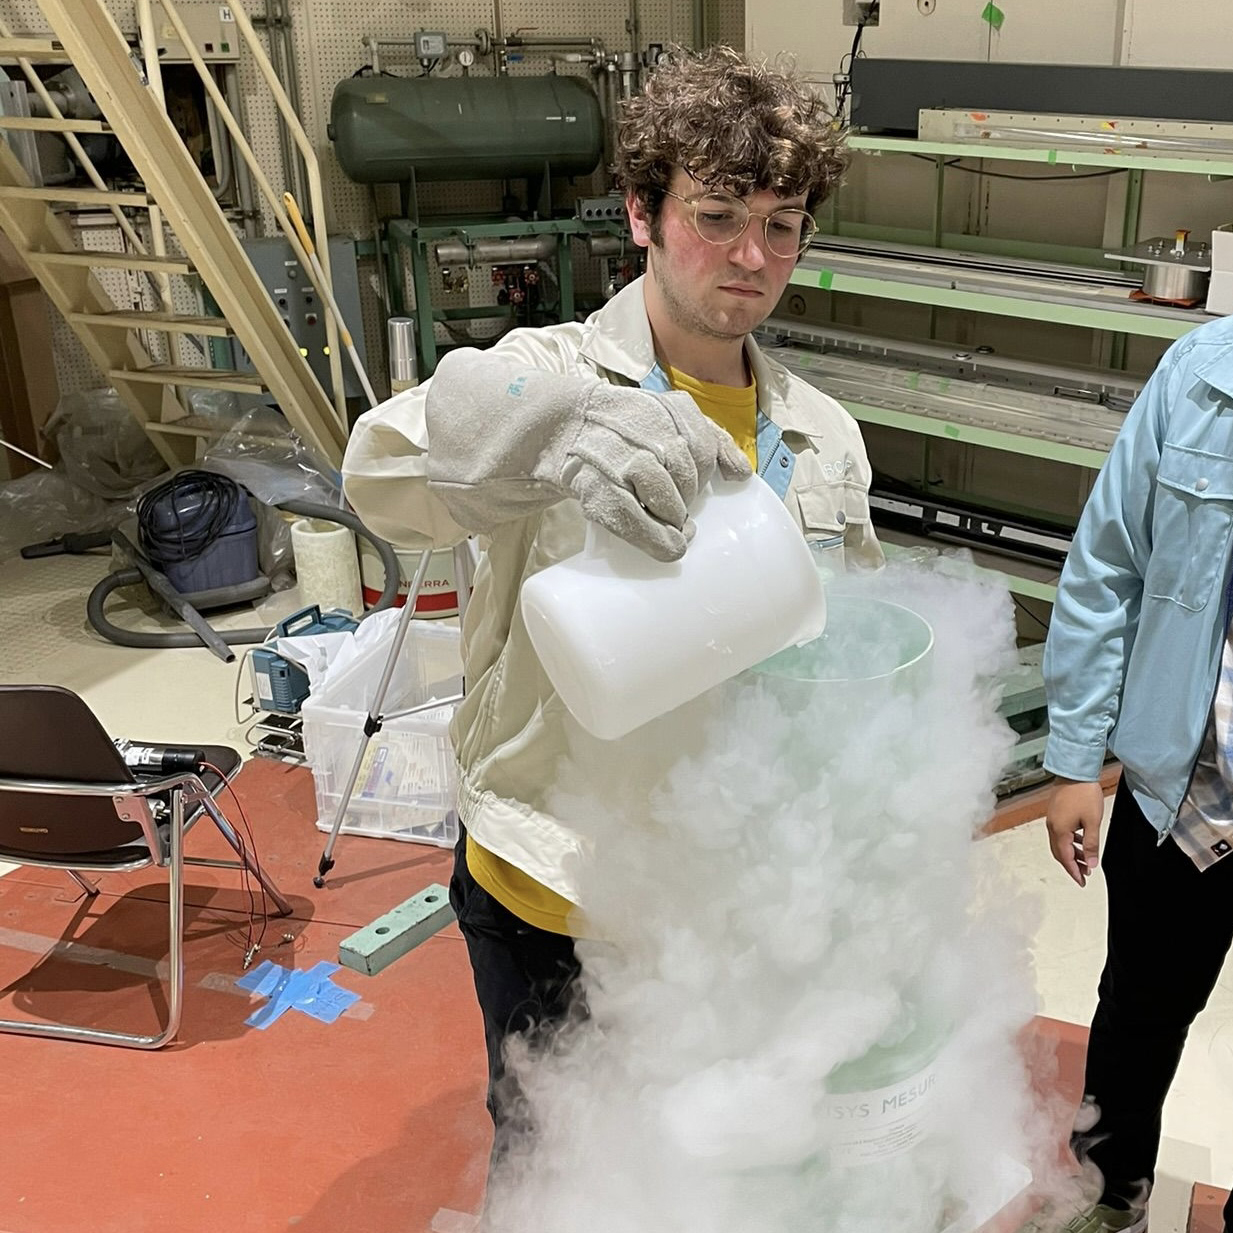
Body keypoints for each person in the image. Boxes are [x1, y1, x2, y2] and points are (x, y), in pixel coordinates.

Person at [342, 44, 883, 1166]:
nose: (752, 255)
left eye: (782, 225)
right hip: (555, 887)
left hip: (725, 902)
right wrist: (547, 426)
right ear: (640, 213)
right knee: (554, 1168)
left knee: (704, 1164)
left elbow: (847, 657)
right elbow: (375, 476)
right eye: (719, 214)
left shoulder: (823, 434)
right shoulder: (542, 372)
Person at [1040, 311, 1233, 1233]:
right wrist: (1077, 756)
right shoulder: (1200, 373)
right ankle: (1106, 1199)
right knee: (1135, 1020)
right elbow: (1107, 562)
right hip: (1180, 792)